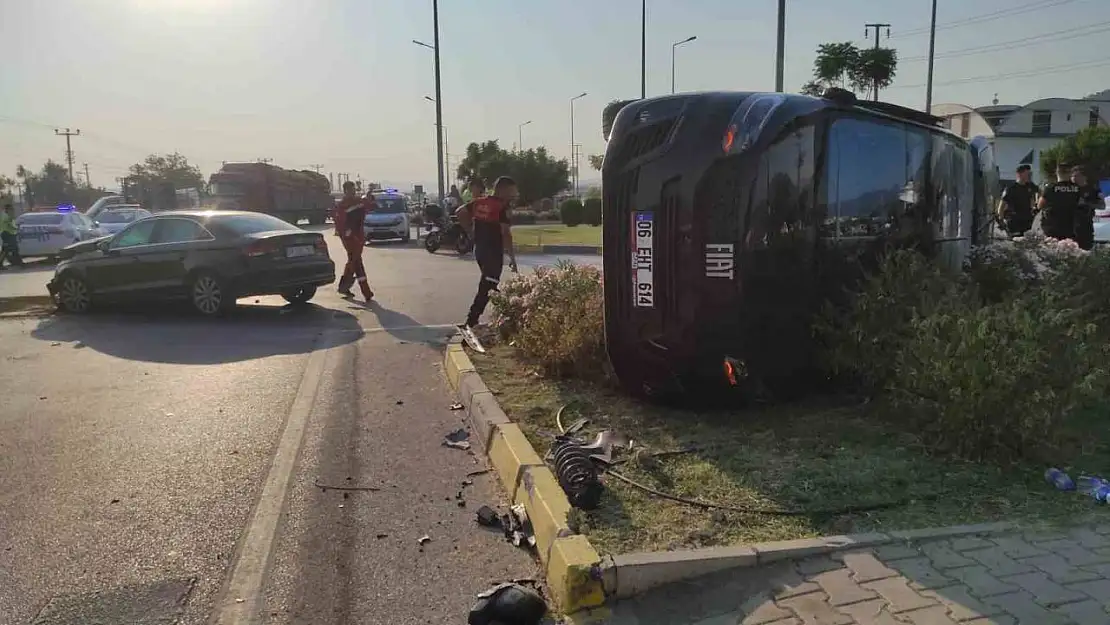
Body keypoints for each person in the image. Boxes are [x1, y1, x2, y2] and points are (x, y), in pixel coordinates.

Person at [457, 176, 518, 339]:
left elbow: (460, 212)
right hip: (493, 252)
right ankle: (471, 322)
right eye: (512, 191)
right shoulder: (502, 207)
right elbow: (506, 233)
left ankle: (502, 318)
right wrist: (512, 257)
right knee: (488, 286)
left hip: (480, 251)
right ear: (503, 189)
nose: (514, 194)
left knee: (490, 285)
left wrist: (470, 231)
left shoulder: (479, 202)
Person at [334, 181, 375, 301]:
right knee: (355, 261)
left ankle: (344, 287)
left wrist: (369, 196)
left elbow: (370, 206)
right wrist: (346, 234)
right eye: (350, 190)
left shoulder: (359, 201)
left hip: (359, 236)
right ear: (345, 191)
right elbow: (339, 222)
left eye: (354, 190)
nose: (352, 192)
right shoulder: (342, 205)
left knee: (354, 260)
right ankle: (366, 292)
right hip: (350, 238)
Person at [1038, 163, 1082, 242]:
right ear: (1069, 173)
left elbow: (1040, 205)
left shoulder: (1051, 187)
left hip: (1052, 226)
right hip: (1069, 225)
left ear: (1057, 172)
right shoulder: (1076, 188)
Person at [997, 164, 1039, 237]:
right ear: (1019, 174)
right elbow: (1001, 205)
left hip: (1027, 220)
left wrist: (1036, 205)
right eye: (1027, 174)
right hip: (1014, 220)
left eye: (1029, 174)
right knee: (1015, 241)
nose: (1029, 176)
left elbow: (1041, 193)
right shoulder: (1011, 188)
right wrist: (1001, 219)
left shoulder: (1030, 185)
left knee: (1026, 242)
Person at [1073, 166, 1105, 250]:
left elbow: (1102, 205)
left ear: (1084, 176)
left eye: (1076, 176)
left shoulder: (1093, 189)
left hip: (1086, 225)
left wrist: (1086, 203)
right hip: (1071, 225)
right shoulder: (1071, 189)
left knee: (1086, 249)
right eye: (1072, 176)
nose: (1073, 178)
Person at [0, 203, 21, 270]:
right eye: (11, 209)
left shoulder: (5, 215)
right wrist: (16, 228)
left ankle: (18, 262)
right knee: (5, 250)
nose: (12, 210)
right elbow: (10, 225)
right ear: (8, 209)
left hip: (8, 233)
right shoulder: (6, 216)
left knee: (13, 248)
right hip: (7, 233)